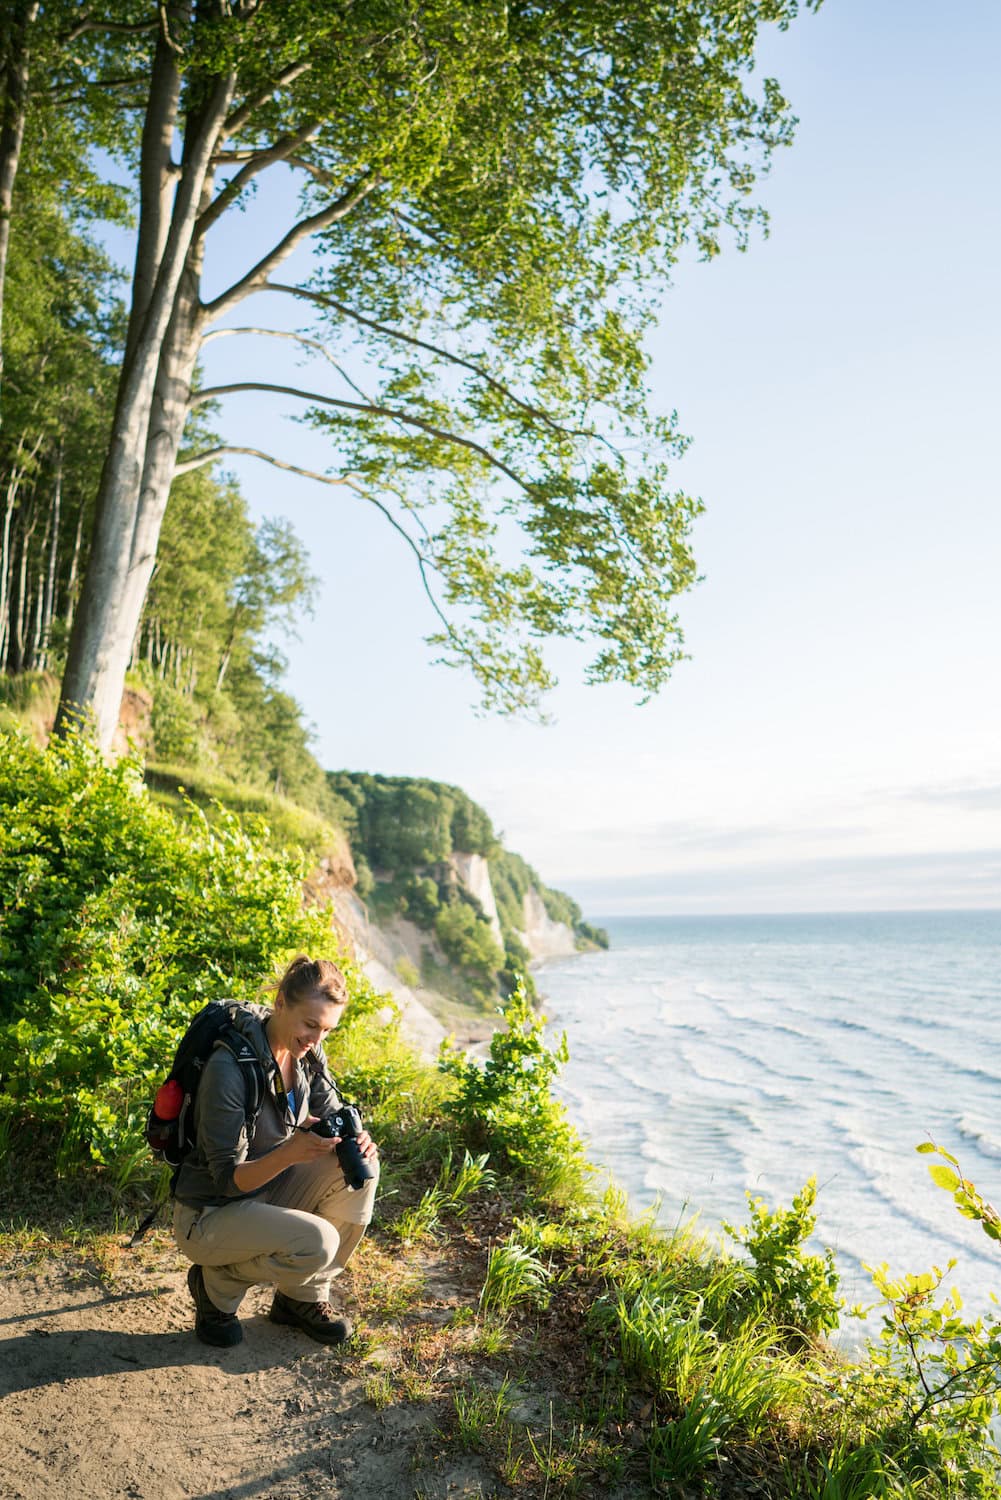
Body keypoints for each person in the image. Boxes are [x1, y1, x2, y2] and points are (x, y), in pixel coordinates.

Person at [172, 954, 379, 1348]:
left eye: (327, 1030)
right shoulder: (228, 1069)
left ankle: (300, 1298)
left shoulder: (306, 1054)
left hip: (265, 1190)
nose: (317, 1039)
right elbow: (228, 1179)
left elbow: (330, 1112)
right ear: (280, 1003)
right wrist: (292, 1152)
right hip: (210, 1212)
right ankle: (215, 1285)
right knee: (317, 1242)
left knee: (361, 1170)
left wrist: (357, 1138)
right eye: (310, 1024)